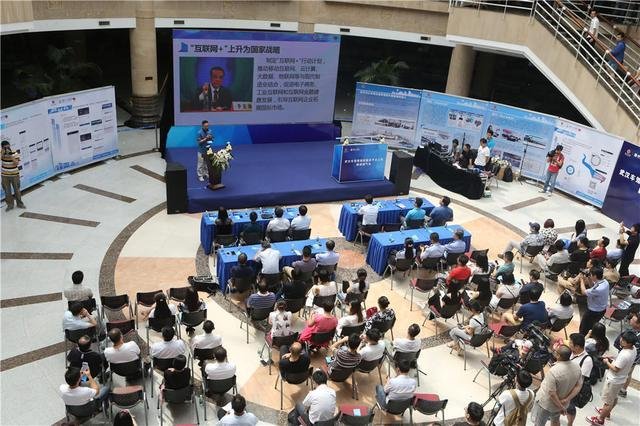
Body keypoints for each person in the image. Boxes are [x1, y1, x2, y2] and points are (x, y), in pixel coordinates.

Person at [587, 331, 638, 425]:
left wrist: (607, 362)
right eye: (622, 338)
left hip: (614, 380)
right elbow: (621, 363)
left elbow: (615, 369)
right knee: (613, 398)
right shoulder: (633, 349)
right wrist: (614, 359)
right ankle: (606, 412)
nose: (621, 340)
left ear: (629, 343)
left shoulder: (625, 355)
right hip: (621, 379)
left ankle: (600, 419)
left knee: (608, 402)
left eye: (624, 340)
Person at [531, 345, 583, 426]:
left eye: (556, 352)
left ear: (558, 356)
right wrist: (566, 400)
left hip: (546, 404)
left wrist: (561, 407)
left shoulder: (553, 371)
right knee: (555, 421)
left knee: (539, 423)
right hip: (562, 403)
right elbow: (578, 386)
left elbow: (552, 393)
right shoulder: (577, 367)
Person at [566, 333, 593, 426]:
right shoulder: (570, 352)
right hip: (563, 384)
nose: (569, 344)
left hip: (572, 388)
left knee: (570, 407)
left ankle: (570, 423)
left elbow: (580, 380)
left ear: (577, 346)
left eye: (570, 342)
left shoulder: (587, 360)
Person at [614, 312, 640, 398]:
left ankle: (620, 389)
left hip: (629, 358)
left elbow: (617, 343)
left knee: (623, 373)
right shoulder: (632, 331)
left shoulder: (631, 334)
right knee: (628, 374)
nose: (630, 319)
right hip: (634, 359)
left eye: (633, 319)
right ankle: (623, 389)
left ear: (638, 324)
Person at [578, 266, 609, 335]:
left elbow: (584, 292)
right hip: (601, 309)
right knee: (591, 326)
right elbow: (592, 286)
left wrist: (581, 280)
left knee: (583, 328)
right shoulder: (605, 282)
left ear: (595, 276)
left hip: (593, 312)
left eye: (591, 274)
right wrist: (589, 278)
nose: (590, 275)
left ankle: (582, 337)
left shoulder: (598, 289)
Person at [1, 140, 25, 210]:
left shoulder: (15, 153)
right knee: (7, 191)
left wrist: (10, 155)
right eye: (5, 148)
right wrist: (2, 153)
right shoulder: (1, 153)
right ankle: (10, 205)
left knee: (17, 190)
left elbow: (16, 163)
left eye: (8, 147)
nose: (7, 149)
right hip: (5, 176)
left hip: (14, 175)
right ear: (2, 148)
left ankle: (20, 204)